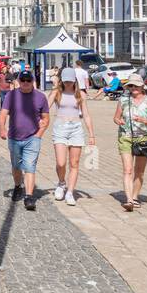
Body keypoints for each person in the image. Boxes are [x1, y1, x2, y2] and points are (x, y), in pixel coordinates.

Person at [0, 70, 49, 210]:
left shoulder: (40, 97)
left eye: (28, 80)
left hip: (32, 138)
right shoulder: (11, 95)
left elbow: (46, 118)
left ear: (32, 81)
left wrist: (39, 134)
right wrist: (2, 129)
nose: (26, 83)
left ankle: (29, 196)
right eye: (23, 80)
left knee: (29, 166)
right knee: (16, 166)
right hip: (14, 137)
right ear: (18, 81)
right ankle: (17, 186)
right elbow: (3, 114)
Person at [48, 68, 95, 206]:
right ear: (62, 80)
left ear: (75, 80)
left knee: (74, 163)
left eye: (71, 81)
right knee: (61, 162)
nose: (68, 84)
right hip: (60, 127)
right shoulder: (57, 92)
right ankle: (61, 183)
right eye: (66, 81)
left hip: (76, 128)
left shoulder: (80, 94)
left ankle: (70, 192)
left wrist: (91, 134)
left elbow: (86, 115)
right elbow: (44, 108)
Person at [113, 73, 147, 211]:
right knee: (127, 170)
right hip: (125, 136)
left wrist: (145, 120)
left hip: (143, 138)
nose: (133, 88)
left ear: (141, 86)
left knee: (139, 172)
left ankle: (135, 197)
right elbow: (116, 117)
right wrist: (118, 121)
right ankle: (129, 200)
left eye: (136, 85)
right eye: (130, 86)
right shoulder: (123, 100)